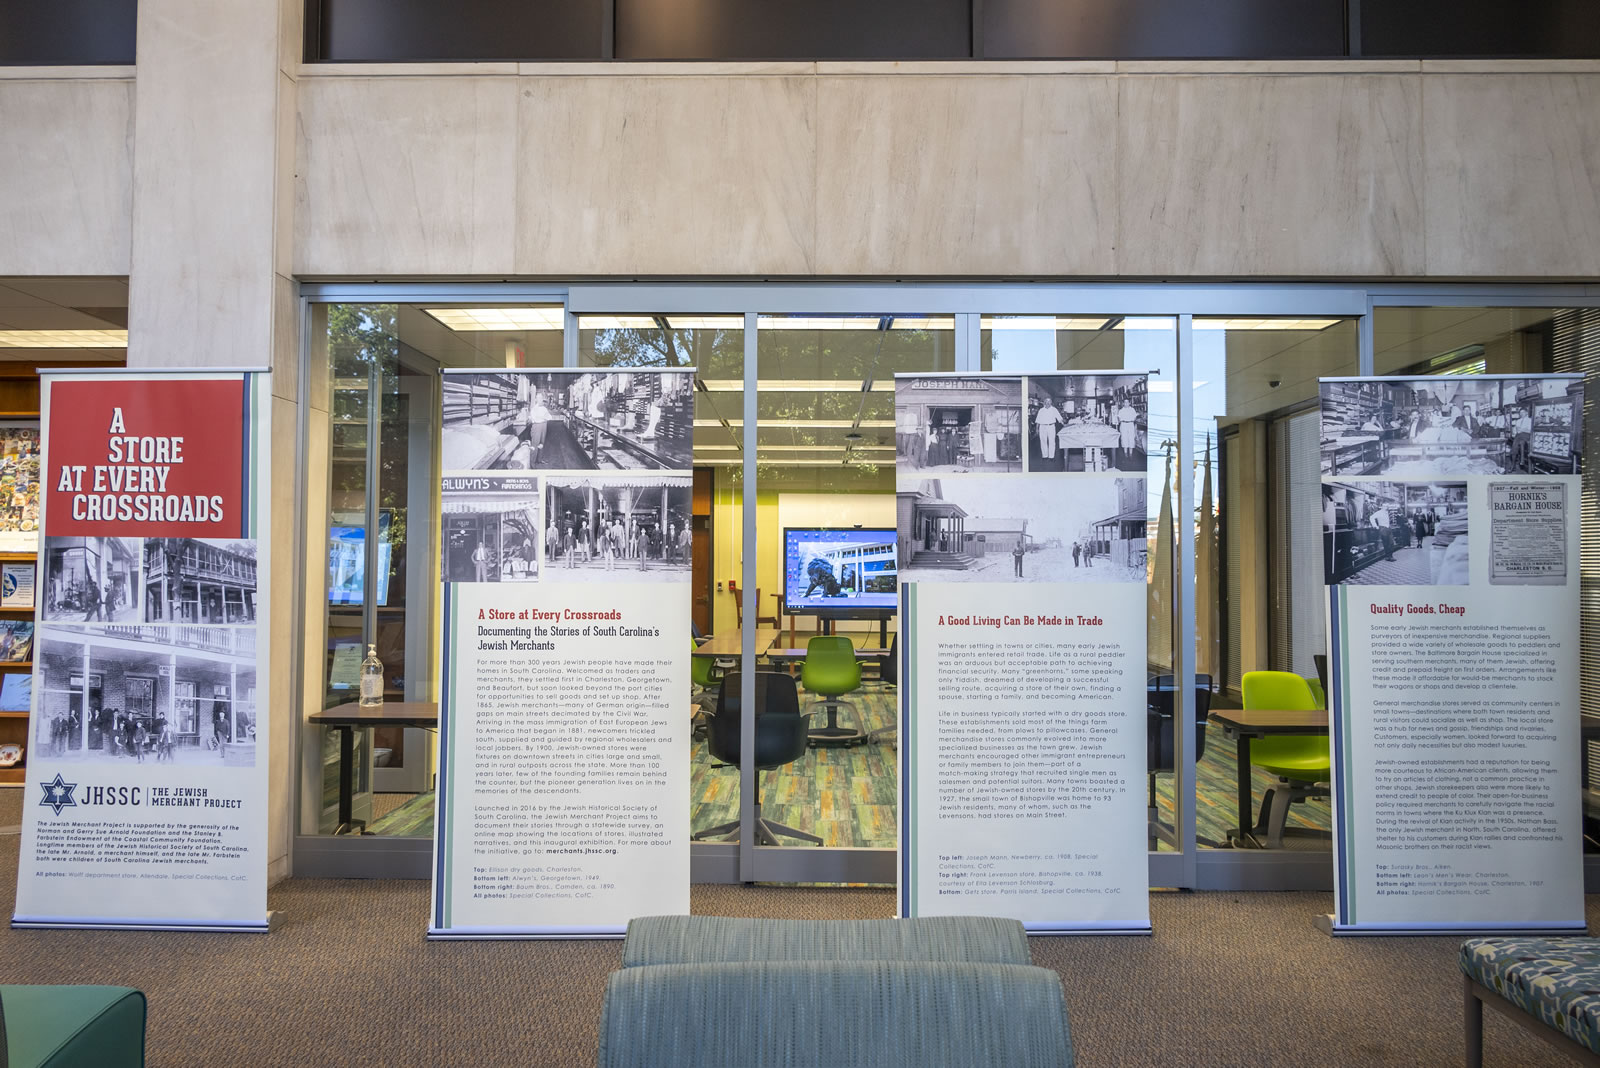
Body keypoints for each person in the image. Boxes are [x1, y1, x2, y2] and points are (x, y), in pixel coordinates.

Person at [1116, 399, 1140, 468]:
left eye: (1127, 402)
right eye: (1125, 402)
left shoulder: (1132, 410)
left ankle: (1131, 455)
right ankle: (1125, 455)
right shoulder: (1121, 411)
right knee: (1124, 439)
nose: (1126, 403)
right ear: (1123, 403)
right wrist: (1125, 419)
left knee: (1131, 439)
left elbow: (1134, 418)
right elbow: (1119, 419)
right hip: (1123, 424)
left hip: (1130, 424)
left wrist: (1130, 419)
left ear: (1129, 403)